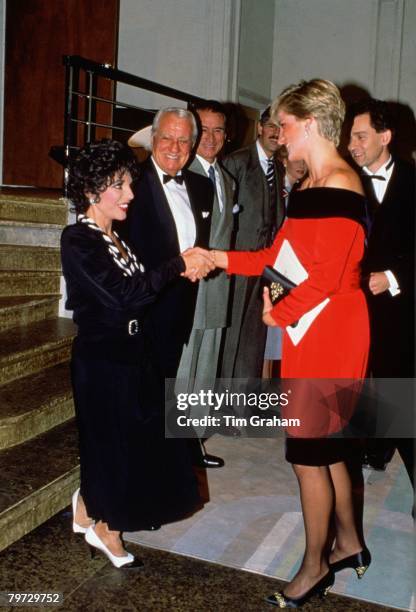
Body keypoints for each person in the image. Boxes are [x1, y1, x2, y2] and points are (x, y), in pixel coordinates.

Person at [213, 80, 371, 607]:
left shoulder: (342, 185)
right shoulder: (309, 186)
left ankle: (314, 566)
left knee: (308, 454)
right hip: (310, 327)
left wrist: (276, 312)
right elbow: (275, 259)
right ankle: (348, 543)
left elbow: (326, 280)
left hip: (333, 332)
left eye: (283, 125)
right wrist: (218, 260)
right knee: (327, 450)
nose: (278, 136)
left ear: (307, 124)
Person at [62, 139, 213, 569]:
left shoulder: (117, 239)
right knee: (112, 445)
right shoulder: (78, 240)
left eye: (129, 184)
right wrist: (176, 265)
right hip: (102, 358)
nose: (130, 194)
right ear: (93, 191)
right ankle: (108, 528)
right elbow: (125, 294)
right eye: (121, 186)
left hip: (132, 353)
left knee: (134, 444)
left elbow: (141, 293)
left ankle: (89, 508)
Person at [127, 107, 224, 468]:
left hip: (179, 310)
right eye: (167, 137)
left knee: (164, 395)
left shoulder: (200, 186)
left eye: (184, 140)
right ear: (153, 139)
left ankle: (157, 477)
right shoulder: (131, 183)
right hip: (141, 311)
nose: (174, 146)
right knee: (138, 402)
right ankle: (136, 484)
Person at [348, 99, 415, 489]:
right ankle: (374, 446)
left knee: (400, 390)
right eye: (351, 137)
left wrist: (391, 276)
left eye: (361, 136)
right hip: (351, 307)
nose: (353, 145)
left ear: (385, 137)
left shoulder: (412, 181)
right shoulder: (346, 181)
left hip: (399, 308)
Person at [175, 100, 236, 441]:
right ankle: (176, 449)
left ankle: (195, 443)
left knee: (207, 370)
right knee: (185, 369)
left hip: (217, 289)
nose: (210, 138)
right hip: (189, 288)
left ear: (226, 136)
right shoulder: (182, 175)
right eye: (204, 130)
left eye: (218, 131)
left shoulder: (226, 179)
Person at [221, 106, 285, 379]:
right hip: (238, 265)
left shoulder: (278, 168)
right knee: (232, 336)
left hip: (264, 267)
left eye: (281, 127)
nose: (276, 132)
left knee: (254, 338)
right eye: (271, 125)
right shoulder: (236, 162)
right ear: (259, 127)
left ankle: (243, 405)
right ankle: (222, 407)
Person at [263, 147, 307, 379]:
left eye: (304, 161)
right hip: (273, 270)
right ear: (282, 160)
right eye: (295, 160)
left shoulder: (304, 191)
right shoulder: (273, 189)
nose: (301, 165)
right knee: (268, 339)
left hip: (294, 272)